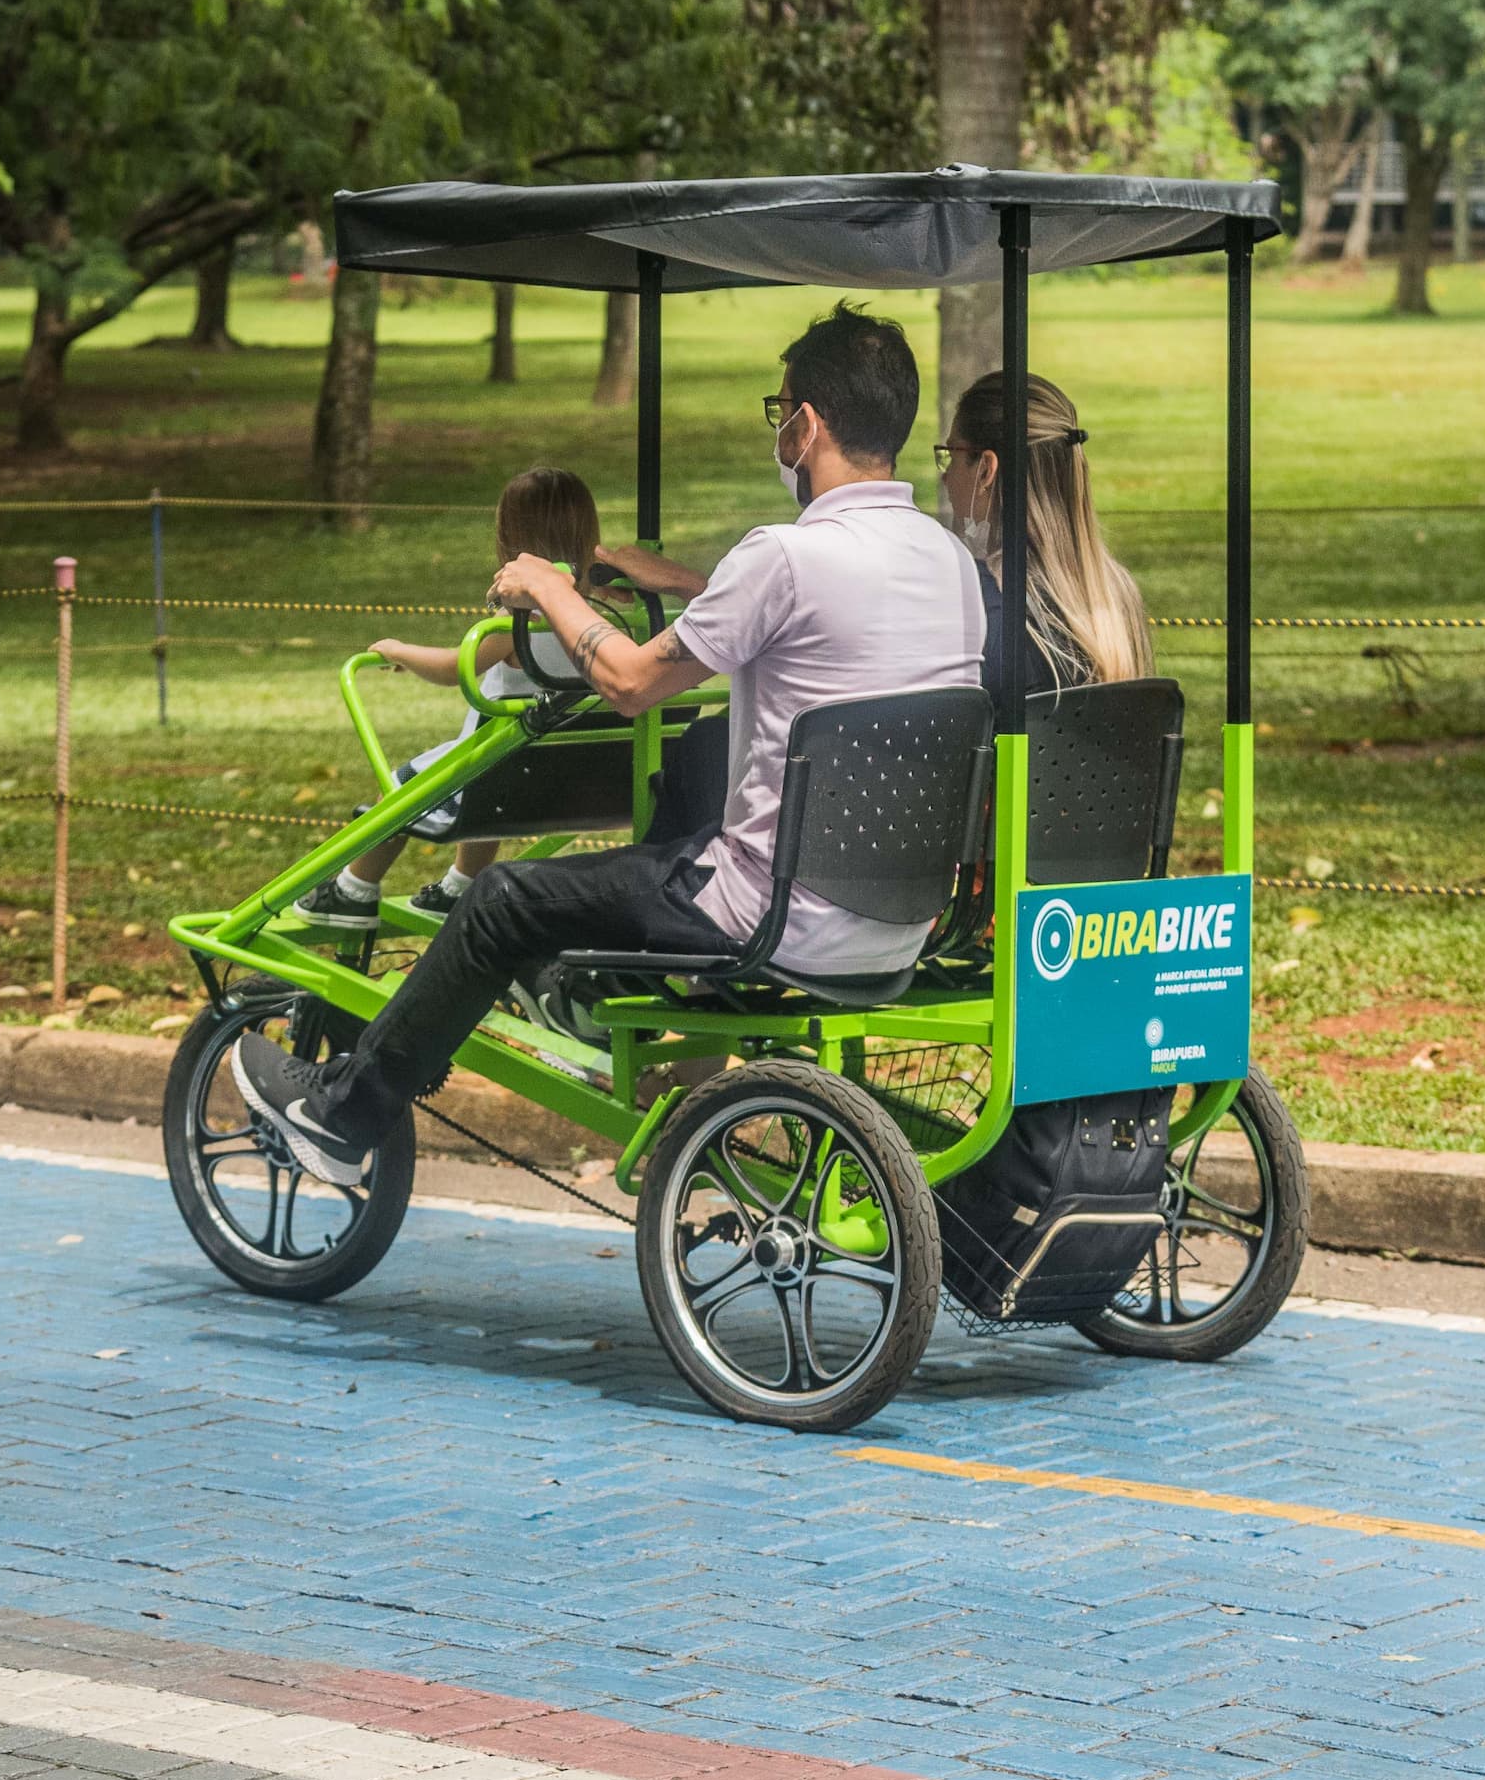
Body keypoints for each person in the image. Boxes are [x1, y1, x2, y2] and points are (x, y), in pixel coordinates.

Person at [239, 305, 983, 1184]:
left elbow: (629, 682)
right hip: (897, 925)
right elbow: (814, 620)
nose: (777, 430)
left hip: (773, 917)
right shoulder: (947, 559)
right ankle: (586, 996)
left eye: (778, 411)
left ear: (807, 425)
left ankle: (341, 1115)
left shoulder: (782, 556)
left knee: (503, 899)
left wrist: (550, 585)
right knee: (674, 810)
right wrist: (684, 581)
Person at [289, 467, 606, 932]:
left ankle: (352, 891)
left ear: (509, 535)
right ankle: (461, 886)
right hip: (560, 778)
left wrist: (398, 650)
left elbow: (456, 666)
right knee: (487, 788)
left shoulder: (524, 613)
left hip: (498, 765)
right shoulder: (599, 607)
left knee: (401, 791)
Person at [934, 372, 1154, 697]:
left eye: (949, 455)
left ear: (986, 469)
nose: (945, 476)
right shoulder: (1117, 594)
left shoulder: (983, 602)